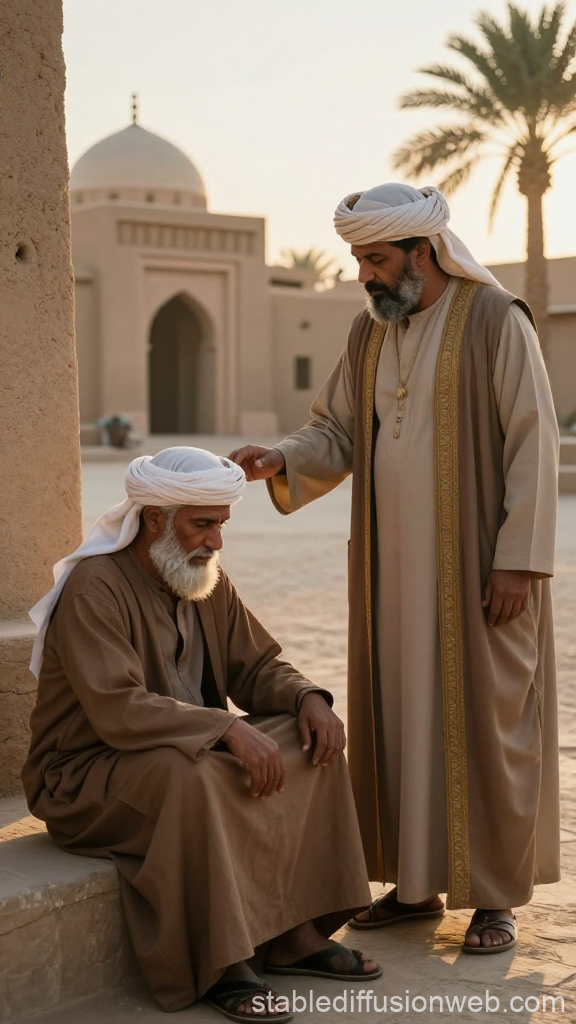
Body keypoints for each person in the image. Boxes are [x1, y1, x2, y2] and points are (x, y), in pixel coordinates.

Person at [230, 184, 560, 955]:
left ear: (425, 252)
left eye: (376, 260)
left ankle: (494, 898)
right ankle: (414, 887)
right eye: (357, 261)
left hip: (483, 576)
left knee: (489, 723)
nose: (364, 276)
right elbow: (337, 431)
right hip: (390, 576)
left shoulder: (495, 321)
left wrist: (517, 561)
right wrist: (281, 456)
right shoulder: (368, 334)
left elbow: (532, 444)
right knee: (402, 717)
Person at [22, 447, 381, 1021]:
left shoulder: (200, 576)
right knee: (192, 776)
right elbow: (119, 709)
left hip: (180, 749)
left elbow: (256, 666)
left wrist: (306, 697)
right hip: (84, 776)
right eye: (203, 525)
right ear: (156, 519)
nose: (216, 542)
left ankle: (295, 936)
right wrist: (224, 730)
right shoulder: (94, 588)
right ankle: (223, 965)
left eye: (221, 525)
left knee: (308, 740)